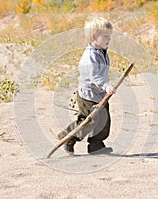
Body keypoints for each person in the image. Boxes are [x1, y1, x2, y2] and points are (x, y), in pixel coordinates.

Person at [57, 17, 116, 155]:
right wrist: (106, 85)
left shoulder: (101, 51)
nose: (109, 39)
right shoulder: (90, 55)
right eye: (105, 36)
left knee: (104, 119)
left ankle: (96, 145)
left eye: (110, 36)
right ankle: (69, 138)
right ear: (94, 36)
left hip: (99, 93)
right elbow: (93, 76)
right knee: (88, 121)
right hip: (88, 94)